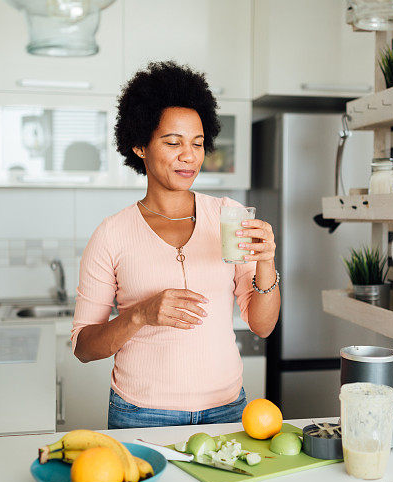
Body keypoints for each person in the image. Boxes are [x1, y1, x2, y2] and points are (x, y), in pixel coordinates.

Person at [71, 61, 281, 429]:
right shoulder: (112, 233)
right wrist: (140, 314)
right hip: (142, 413)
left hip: (227, 408)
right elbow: (84, 347)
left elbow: (262, 325)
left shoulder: (228, 215)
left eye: (198, 144)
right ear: (139, 146)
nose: (189, 156)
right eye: (173, 142)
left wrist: (266, 263)